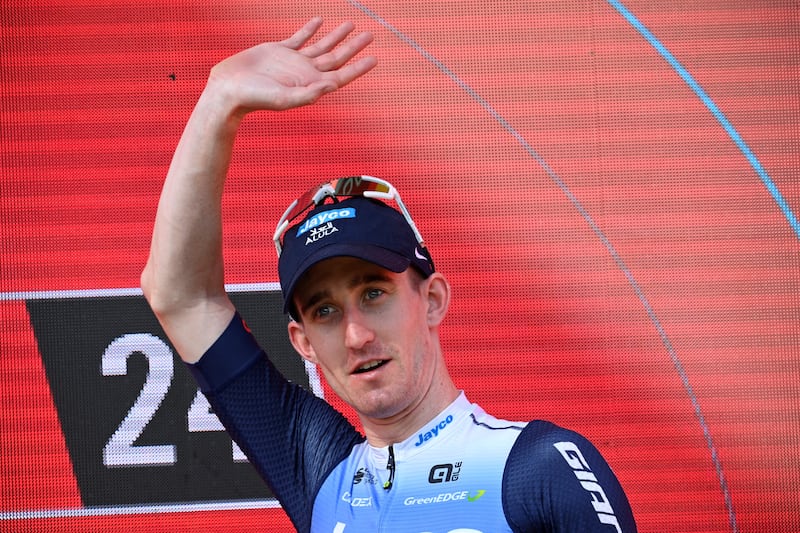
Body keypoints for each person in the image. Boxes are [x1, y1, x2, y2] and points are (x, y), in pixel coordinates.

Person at [141, 17, 637, 533]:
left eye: (374, 293)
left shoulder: (540, 468)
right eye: (325, 311)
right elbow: (180, 296)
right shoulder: (315, 467)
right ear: (303, 341)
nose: (356, 335)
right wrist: (219, 100)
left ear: (433, 298)